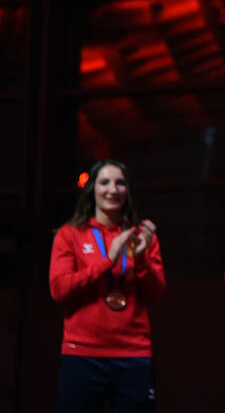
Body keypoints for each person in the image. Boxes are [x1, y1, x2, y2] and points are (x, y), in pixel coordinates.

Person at [49, 159, 165, 413]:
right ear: (92, 189)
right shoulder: (69, 235)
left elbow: (156, 296)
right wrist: (108, 260)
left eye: (120, 183)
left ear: (128, 191)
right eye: (104, 182)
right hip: (82, 353)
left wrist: (142, 259)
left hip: (133, 354)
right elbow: (59, 290)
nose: (112, 189)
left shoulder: (142, 238)